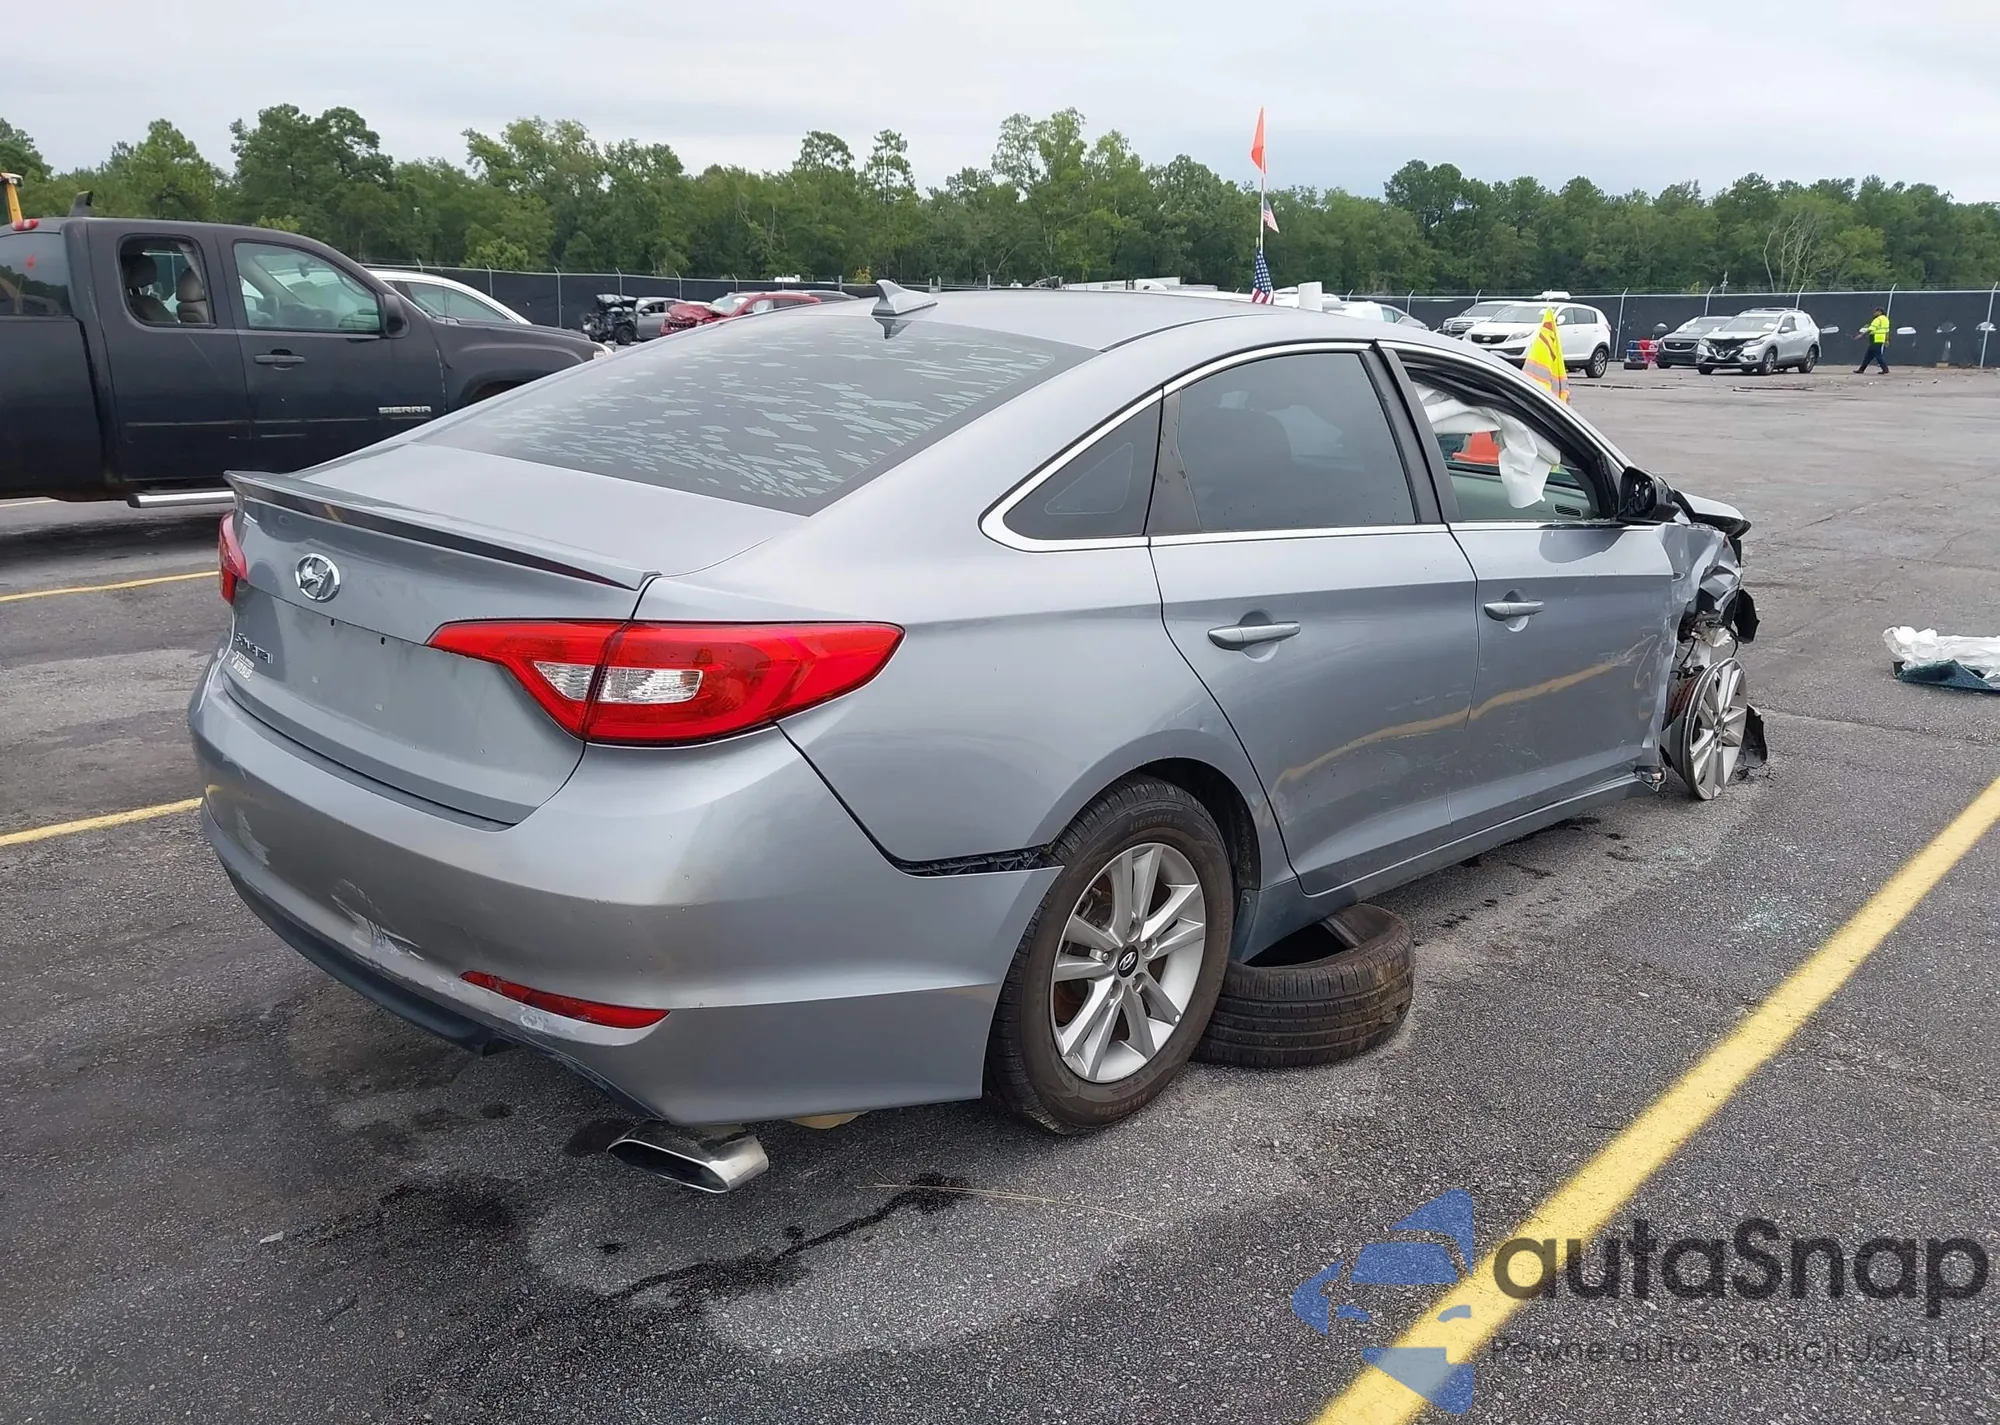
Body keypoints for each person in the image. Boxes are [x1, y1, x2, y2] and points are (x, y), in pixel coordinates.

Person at [1855, 307, 1891, 374]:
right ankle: (1861, 369)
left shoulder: (1877, 319)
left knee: (1878, 355)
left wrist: (1861, 335)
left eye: (1876, 311)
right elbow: (1887, 331)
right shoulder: (1886, 319)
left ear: (1880, 312)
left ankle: (1885, 369)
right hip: (1881, 339)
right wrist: (1887, 340)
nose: (1874, 313)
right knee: (1868, 356)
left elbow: (1871, 329)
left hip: (1875, 338)